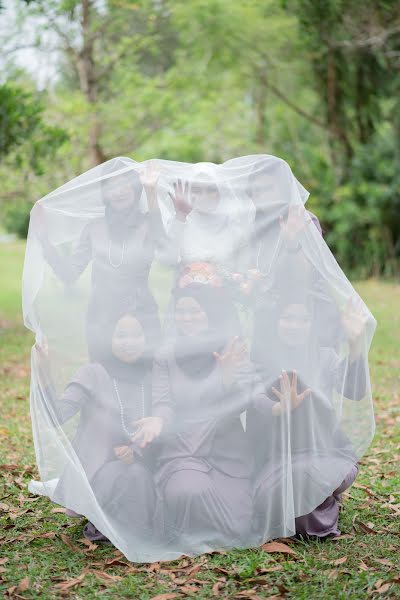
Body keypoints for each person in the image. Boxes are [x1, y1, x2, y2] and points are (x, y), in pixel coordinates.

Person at [130, 279, 256, 554]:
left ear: (210, 312)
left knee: (241, 526)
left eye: (195, 311)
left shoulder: (233, 348)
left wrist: (227, 381)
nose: (187, 318)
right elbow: (164, 403)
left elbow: (243, 405)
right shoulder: (167, 354)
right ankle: (188, 532)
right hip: (183, 448)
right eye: (181, 311)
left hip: (226, 449)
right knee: (187, 490)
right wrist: (158, 420)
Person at [247, 290, 367, 541]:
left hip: (324, 452)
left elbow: (353, 391)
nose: (295, 326)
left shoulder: (324, 356)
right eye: (287, 318)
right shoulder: (262, 358)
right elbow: (253, 398)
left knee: (306, 496)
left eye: (304, 319)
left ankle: (323, 491)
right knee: (289, 502)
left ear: (312, 324)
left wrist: (356, 343)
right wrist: (278, 409)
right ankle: (322, 494)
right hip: (275, 459)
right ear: (276, 321)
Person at [31, 161, 165, 360]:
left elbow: (164, 247)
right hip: (101, 316)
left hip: (141, 312)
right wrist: (44, 239)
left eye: (125, 184)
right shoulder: (94, 229)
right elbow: (69, 275)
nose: (119, 192)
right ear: (104, 192)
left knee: (145, 372)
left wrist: (151, 192)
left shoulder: (147, 223)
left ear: (136, 189)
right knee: (103, 375)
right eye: (112, 186)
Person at [50, 303, 158, 544]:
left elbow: (167, 423)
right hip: (99, 466)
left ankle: (138, 528)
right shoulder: (93, 373)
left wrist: (137, 452)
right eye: (121, 335)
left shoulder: (153, 375)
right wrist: (43, 375)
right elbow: (58, 415)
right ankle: (116, 528)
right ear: (107, 338)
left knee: (138, 474)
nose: (129, 342)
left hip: (148, 461)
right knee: (129, 477)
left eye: (136, 335)